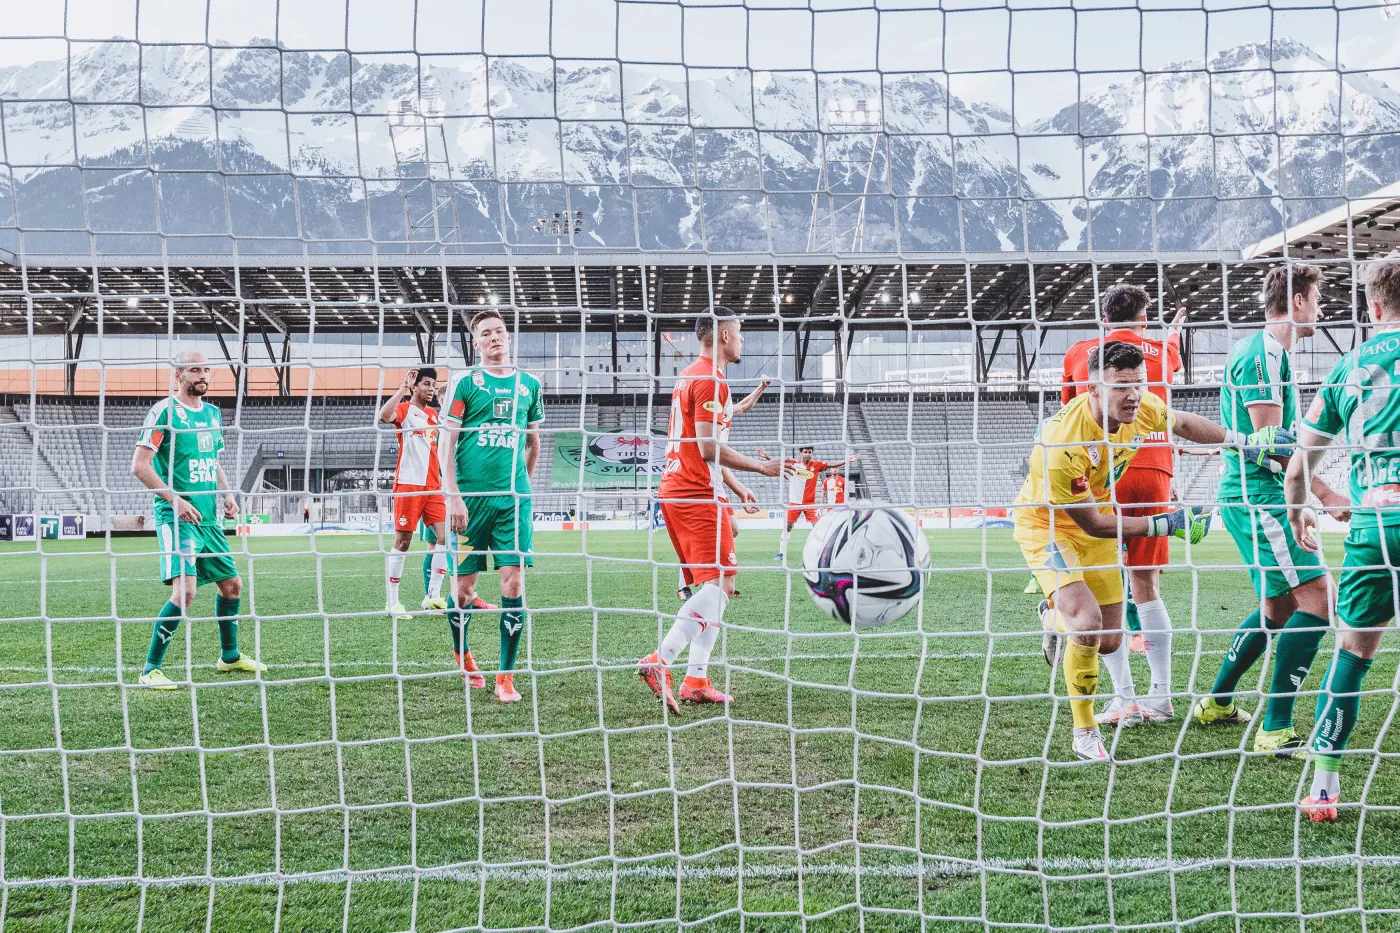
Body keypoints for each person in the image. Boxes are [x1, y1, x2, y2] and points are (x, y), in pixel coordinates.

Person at [1014, 340, 1292, 761]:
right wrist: (1169, 522)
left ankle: (1053, 617)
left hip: (1097, 521)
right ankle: (1084, 731)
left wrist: (1244, 443)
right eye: (1121, 385)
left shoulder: (1141, 407)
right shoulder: (1062, 443)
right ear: (1092, 388)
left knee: (1108, 642)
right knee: (1087, 624)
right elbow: (1095, 525)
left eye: (1138, 384)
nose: (1133, 394)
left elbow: (1183, 424)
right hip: (1048, 527)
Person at [1194, 264, 1350, 756]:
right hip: (1260, 496)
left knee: (1278, 609)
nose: (1321, 310)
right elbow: (1272, 446)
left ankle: (1218, 702)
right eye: (1317, 298)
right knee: (1321, 603)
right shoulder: (1263, 352)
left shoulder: (1265, 351)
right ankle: (1275, 728)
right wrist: (1324, 495)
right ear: (1298, 301)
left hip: (1252, 495)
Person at [1286, 259, 1400, 822]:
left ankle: (1325, 789)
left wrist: (1299, 509)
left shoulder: (1349, 367)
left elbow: (1298, 464)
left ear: (1373, 309)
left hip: (1376, 525)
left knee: (1353, 653)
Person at [639, 306, 787, 711]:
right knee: (721, 585)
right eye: (739, 334)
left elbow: (705, 443)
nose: (743, 341)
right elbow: (707, 449)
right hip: (693, 491)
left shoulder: (691, 375)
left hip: (682, 488)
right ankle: (661, 660)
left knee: (721, 582)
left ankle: (696, 679)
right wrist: (762, 467)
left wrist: (737, 489)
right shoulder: (709, 380)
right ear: (723, 335)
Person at [1060, 284, 1187, 726]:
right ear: (1144, 317)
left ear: (1102, 317)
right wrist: (1171, 334)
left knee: (1100, 584)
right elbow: (1171, 357)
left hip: (1103, 468)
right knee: (1146, 584)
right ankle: (1163, 696)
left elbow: (1072, 412)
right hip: (1155, 467)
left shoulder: (1081, 352)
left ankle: (1124, 700)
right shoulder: (1161, 348)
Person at [130, 351, 266, 689]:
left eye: (207, 369)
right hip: (176, 517)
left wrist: (228, 494)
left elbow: (213, 460)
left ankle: (229, 658)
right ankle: (150, 670)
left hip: (208, 518)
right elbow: (140, 466)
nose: (203, 375)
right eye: (195, 369)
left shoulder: (213, 413)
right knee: (186, 591)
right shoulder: (163, 412)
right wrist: (174, 500)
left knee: (232, 585)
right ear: (179, 375)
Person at [440, 310, 544, 704]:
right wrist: (453, 495)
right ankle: (462, 651)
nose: (495, 338)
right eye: (486, 333)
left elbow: (533, 441)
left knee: (513, 584)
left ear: (509, 337)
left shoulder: (529, 385)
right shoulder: (466, 382)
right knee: (463, 591)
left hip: (512, 504)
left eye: (500, 331)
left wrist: (525, 488)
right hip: (469, 505)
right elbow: (446, 442)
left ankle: (505, 676)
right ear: (476, 342)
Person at [676, 375, 769, 602]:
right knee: (700, 540)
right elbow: (711, 454)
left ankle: (719, 577)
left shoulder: (724, 414)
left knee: (734, 529)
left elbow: (745, 406)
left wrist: (761, 387)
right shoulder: (709, 421)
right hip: (702, 483)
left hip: (717, 483)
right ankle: (685, 585)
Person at [377, 367, 450, 622]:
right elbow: (384, 415)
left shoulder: (434, 415)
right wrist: (402, 390)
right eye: (427, 384)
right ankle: (393, 602)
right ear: (416, 386)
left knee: (446, 537)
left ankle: (433, 595)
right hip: (408, 485)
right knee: (403, 542)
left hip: (433, 486)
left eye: (434, 384)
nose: (431, 389)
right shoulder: (406, 410)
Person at [772, 446, 860, 561]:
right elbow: (777, 463)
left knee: (817, 527)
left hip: (810, 504)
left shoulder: (816, 465)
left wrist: (846, 460)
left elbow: (832, 464)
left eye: (809, 452)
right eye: (805, 452)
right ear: (801, 453)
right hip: (794, 503)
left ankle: (822, 553)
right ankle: (781, 553)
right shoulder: (794, 464)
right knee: (788, 527)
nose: (807, 454)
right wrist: (767, 457)